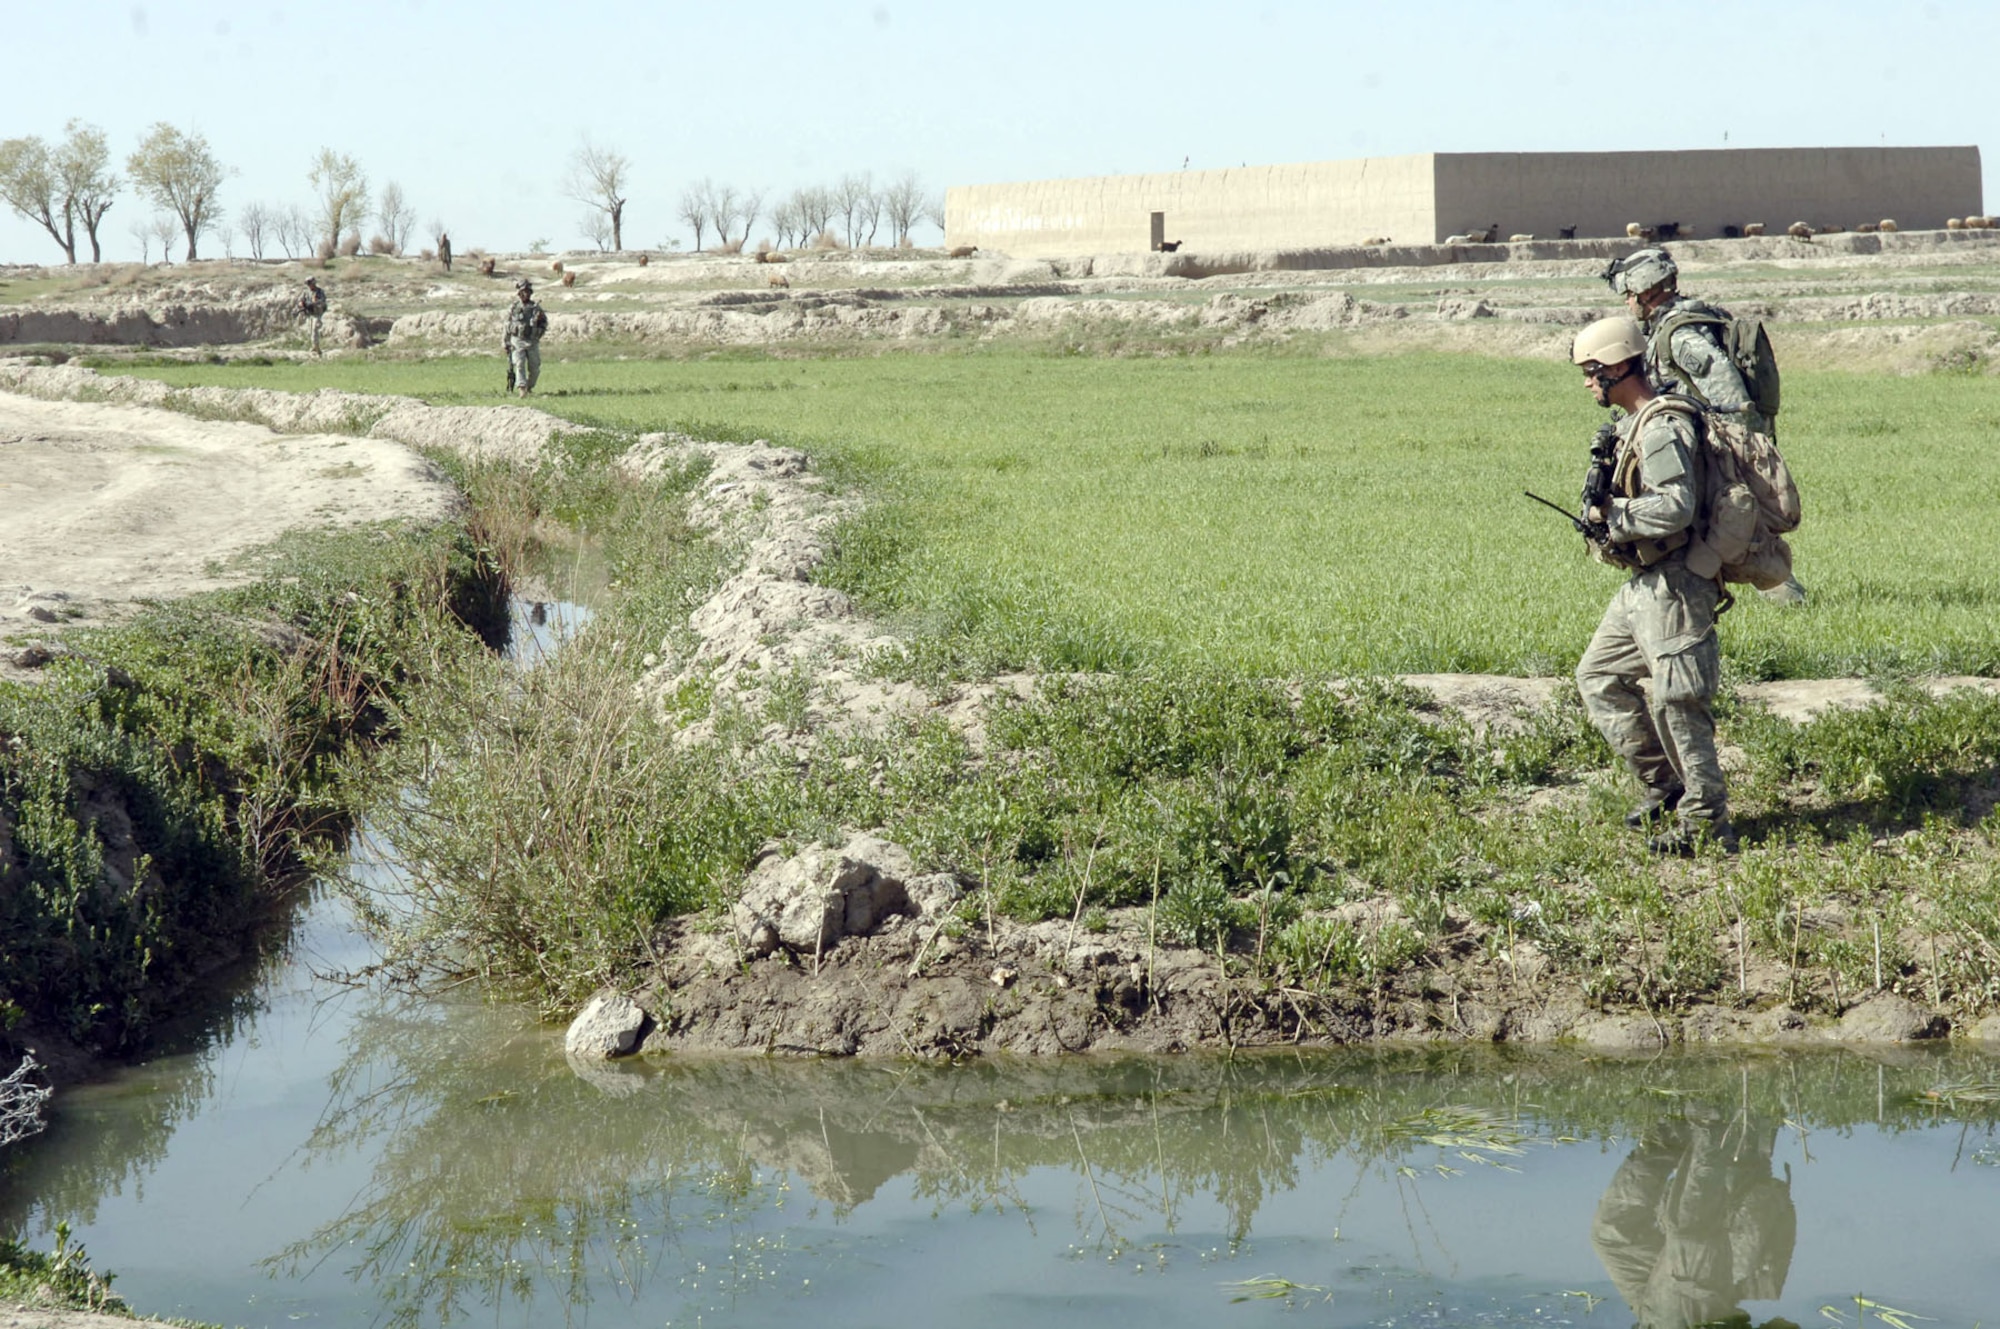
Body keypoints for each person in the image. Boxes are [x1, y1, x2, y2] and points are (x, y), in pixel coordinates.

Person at [1569, 315, 1737, 855]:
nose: (1588, 383)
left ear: (1619, 366)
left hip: (1677, 583)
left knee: (1677, 701)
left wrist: (1613, 514)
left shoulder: (1663, 426)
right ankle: (1665, 785)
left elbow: (1676, 505)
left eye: (1593, 372)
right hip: (1644, 582)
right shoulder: (1632, 425)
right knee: (1599, 677)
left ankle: (1707, 825)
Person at [1605, 246, 1807, 605]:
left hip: (1717, 445)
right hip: (1700, 439)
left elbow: (1728, 389)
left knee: (1740, 527)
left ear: (1647, 292)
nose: (1628, 304)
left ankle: (1785, 594)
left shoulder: (1681, 336)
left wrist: (1734, 452)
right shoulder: (1680, 323)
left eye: (1629, 296)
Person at [1591, 1104, 1796, 1328]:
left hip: (1649, 1316)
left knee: (1611, 1234)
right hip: (1692, 1318)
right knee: (1689, 1241)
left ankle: (1671, 1133)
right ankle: (1710, 1126)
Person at [504, 277, 548, 398]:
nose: (525, 294)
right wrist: (505, 342)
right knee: (519, 364)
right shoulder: (513, 308)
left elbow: (544, 323)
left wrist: (538, 334)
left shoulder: (536, 309)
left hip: (532, 342)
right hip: (517, 341)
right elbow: (507, 326)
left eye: (527, 291)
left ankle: (529, 386)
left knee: (535, 368)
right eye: (523, 291)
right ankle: (522, 389)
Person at [298, 276, 328, 357]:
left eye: (310, 283)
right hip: (309, 314)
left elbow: (322, 302)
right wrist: (303, 304)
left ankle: (316, 348)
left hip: (317, 314)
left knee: (315, 330)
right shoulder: (306, 292)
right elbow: (300, 301)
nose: (309, 285)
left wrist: (314, 303)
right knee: (310, 331)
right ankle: (314, 347)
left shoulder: (319, 292)